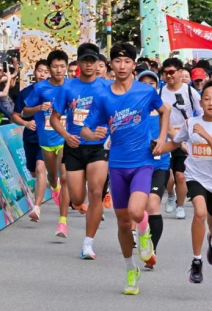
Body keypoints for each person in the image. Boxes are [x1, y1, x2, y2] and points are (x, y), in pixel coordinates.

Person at [81, 43, 170, 295]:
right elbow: (86, 128)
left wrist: (161, 138)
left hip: (142, 162)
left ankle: (144, 233)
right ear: (110, 64)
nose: (122, 66)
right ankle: (131, 270)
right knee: (122, 223)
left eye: (127, 62)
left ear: (133, 64)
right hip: (117, 164)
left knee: (135, 211)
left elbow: (164, 111)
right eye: (117, 61)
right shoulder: (103, 96)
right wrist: (92, 134)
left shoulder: (145, 91)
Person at [164, 82, 212, 284]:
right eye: (207, 99)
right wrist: (156, 149)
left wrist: (206, 136)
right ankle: (197, 261)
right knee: (200, 213)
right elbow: (175, 143)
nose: (211, 103)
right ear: (200, 102)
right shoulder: (190, 123)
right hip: (194, 176)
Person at [50, 43, 109, 260]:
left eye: (93, 61)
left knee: (96, 192)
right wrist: (67, 136)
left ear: (98, 63)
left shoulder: (106, 87)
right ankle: (77, 202)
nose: (89, 65)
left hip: (98, 147)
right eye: (85, 61)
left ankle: (88, 243)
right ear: (78, 63)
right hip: (74, 147)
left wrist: (108, 130)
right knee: (77, 198)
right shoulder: (67, 88)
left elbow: (117, 112)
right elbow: (54, 119)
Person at [22, 50, 70, 238]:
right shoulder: (40, 88)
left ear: (67, 67)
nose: (59, 70)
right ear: (50, 68)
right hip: (46, 141)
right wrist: (38, 108)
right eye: (55, 67)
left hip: (65, 139)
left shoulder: (72, 86)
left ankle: (62, 222)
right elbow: (25, 111)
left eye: (62, 66)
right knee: (53, 177)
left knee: (65, 177)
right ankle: (54, 187)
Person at [159, 57, 203, 221]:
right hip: (165, 138)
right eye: (166, 73)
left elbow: (201, 114)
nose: (169, 76)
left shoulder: (190, 92)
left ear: (179, 72)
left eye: (172, 72)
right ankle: (171, 194)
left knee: (181, 176)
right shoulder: (159, 92)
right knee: (168, 177)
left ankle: (180, 206)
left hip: (185, 139)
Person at [136, 69, 171, 269]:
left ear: (157, 87)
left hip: (159, 165)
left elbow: (173, 133)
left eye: (152, 83)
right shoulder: (131, 108)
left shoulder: (163, 109)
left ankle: (152, 251)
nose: (148, 86)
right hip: (137, 165)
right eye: (144, 83)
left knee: (153, 205)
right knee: (136, 208)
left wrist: (182, 143)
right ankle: (140, 234)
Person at [13, 59, 50, 223]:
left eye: (46, 72)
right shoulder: (26, 93)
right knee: (34, 171)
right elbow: (15, 115)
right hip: (30, 137)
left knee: (41, 167)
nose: (42, 74)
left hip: (47, 138)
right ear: (34, 72)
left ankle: (37, 207)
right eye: (40, 71)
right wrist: (26, 123)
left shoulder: (54, 92)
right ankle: (47, 181)